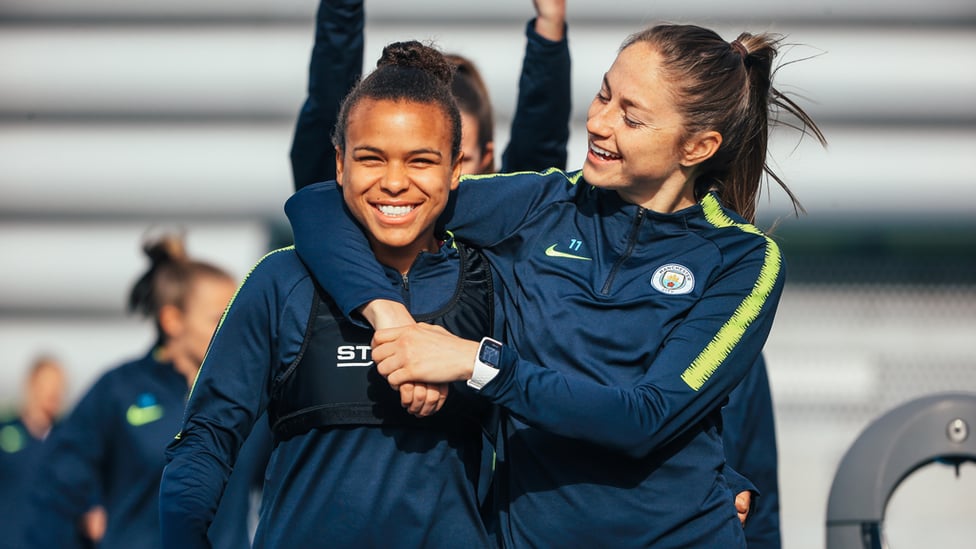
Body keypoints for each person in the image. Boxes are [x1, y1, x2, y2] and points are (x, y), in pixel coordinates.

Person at [285, 22, 826, 548]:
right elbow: (320, 203)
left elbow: (644, 418)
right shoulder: (538, 205)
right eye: (603, 95)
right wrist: (392, 320)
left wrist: (478, 364)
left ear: (697, 147)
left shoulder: (745, 259)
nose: (599, 122)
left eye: (631, 118)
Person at [160, 41, 498, 548]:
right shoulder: (280, 281)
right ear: (339, 164)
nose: (394, 182)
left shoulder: (492, 283)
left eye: (421, 161)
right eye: (371, 158)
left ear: (456, 168)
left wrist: (473, 362)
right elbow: (206, 439)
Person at [27, 235, 270, 549]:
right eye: (218, 319)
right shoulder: (119, 389)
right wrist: (88, 511)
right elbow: (57, 487)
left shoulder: (253, 395)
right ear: (172, 320)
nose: (233, 330)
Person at [289, 0, 571, 189]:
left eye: (427, 159)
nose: (403, 181)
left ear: (486, 159)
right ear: (342, 162)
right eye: (380, 157)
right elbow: (328, 109)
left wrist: (549, 29)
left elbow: (538, 154)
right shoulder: (340, 220)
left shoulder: (500, 241)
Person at [0, 355, 68, 548]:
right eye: (47, 386)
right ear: (31, 386)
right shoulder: (6, 433)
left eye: (59, 387)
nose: (54, 393)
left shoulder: (68, 440)